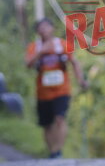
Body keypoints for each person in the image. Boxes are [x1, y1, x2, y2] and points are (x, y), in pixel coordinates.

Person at [26, 17, 88, 158]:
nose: (44, 30)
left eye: (46, 26)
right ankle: (52, 152)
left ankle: (58, 151)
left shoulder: (62, 45)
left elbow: (74, 62)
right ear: (37, 31)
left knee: (60, 119)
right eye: (41, 28)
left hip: (62, 90)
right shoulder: (34, 47)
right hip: (42, 92)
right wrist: (40, 53)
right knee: (47, 124)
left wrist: (81, 80)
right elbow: (28, 64)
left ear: (52, 28)